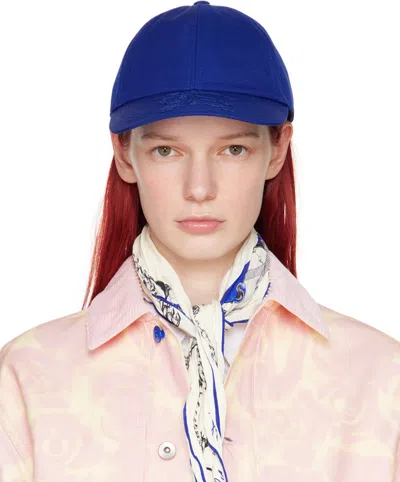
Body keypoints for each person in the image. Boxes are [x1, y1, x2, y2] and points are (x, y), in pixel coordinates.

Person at [1, 2, 399, 481]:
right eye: (166, 150)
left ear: (277, 150)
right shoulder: (27, 379)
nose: (199, 188)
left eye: (233, 149)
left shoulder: (379, 380)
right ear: (124, 155)